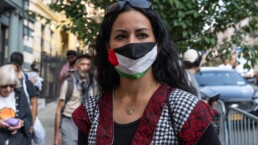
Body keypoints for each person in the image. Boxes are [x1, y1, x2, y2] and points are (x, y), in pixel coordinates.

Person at [72, 1, 221, 145]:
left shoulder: (186, 109)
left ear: (158, 45)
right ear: (107, 47)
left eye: (142, 35)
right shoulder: (90, 112)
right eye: (121, 36)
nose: (132, 44)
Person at [54, 54, 92, 145]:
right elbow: (59, 109)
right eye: (83, 64)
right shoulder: (68, 83)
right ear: (77, 66)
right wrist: (56, 134)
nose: (85, 67)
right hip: (70, 123)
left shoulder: (92, 84)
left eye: (88, 65)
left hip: (86, 124)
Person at [10, 52, 46, 145]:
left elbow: (34, 103)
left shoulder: (26, 83)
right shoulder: (5, 85)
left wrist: (31, 124)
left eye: (14, 71)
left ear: (18, 71)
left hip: (24, 124)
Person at [0, 65, 32, 145]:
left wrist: (21, 123)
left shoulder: (20, 94)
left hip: (18, 140)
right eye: (4, 86)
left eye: (11, 86)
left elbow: (28, 117)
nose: (8, 89)